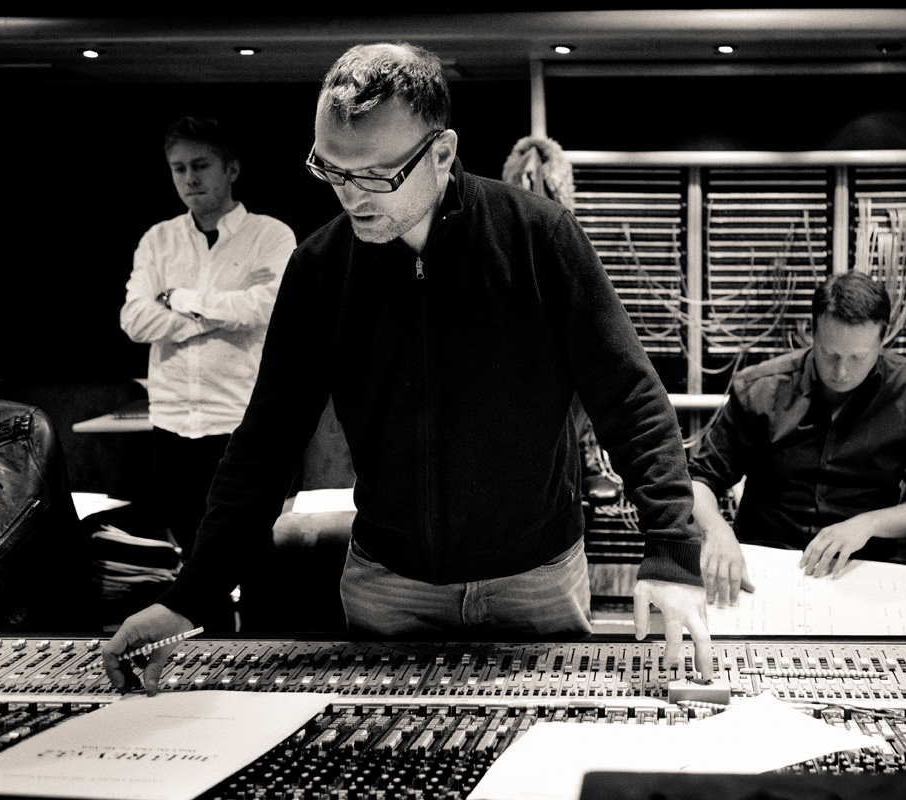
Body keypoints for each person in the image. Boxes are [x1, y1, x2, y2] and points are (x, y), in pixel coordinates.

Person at [105, 43, 711, 694]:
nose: (351, 196)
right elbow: (265, 445)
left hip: (534, 577)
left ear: (442, 154)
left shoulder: (539, 237)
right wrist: (189, 598)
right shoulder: (321, 268)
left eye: (375, 175)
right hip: (388, 584)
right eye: (332, 170)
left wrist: (672, 550)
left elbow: (630, 398)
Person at [689, 271, 906, 605]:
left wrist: (868, 524)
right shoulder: (760, 389)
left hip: (864, 569)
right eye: (830, 354)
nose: (841, 372)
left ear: (883, 339)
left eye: (858, 357)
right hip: (765, 567)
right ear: (811, 332)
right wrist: (716, 530)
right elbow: (699, 480)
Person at [120, 116, 297, 629]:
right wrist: (217, 314)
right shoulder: (159, 239)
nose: (189, 178)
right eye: (178, 169)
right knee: (194, 558)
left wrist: (179, 300)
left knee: (256, 554)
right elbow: (135, 320)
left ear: (231, 169)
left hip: (239, 418)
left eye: (200, 165)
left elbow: (269, 307)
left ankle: (267, 660)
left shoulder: (270, 235)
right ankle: (208, 659)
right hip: (174, 419)